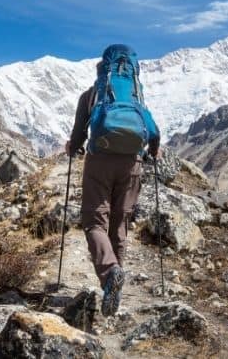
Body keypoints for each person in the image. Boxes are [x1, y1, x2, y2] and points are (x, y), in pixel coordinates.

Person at [66, 44, 160, 317]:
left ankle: (110, 275)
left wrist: (72, 148)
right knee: (121, 222)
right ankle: (114, 283)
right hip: (133, 164)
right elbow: (152, 130)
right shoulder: (135, 96)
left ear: (102, 67)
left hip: (100, 161)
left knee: (95, 221)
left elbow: (78, 136)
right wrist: (153, 152)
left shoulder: (92, 94)